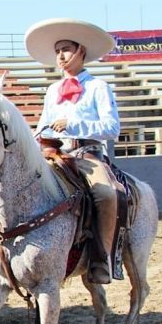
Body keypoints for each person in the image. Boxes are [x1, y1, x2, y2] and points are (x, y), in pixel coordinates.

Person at [25, 17, 124, 284]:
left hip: (87, 155)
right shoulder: (52, 90)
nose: (61, 55)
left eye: (66, 49)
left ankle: (101, 257)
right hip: (54, 156)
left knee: (105, 193)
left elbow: (112, 127)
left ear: (81, 50)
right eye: (57, 51)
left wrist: (74, 124)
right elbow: (43, 126)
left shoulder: (98, 87)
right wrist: (38, 138)